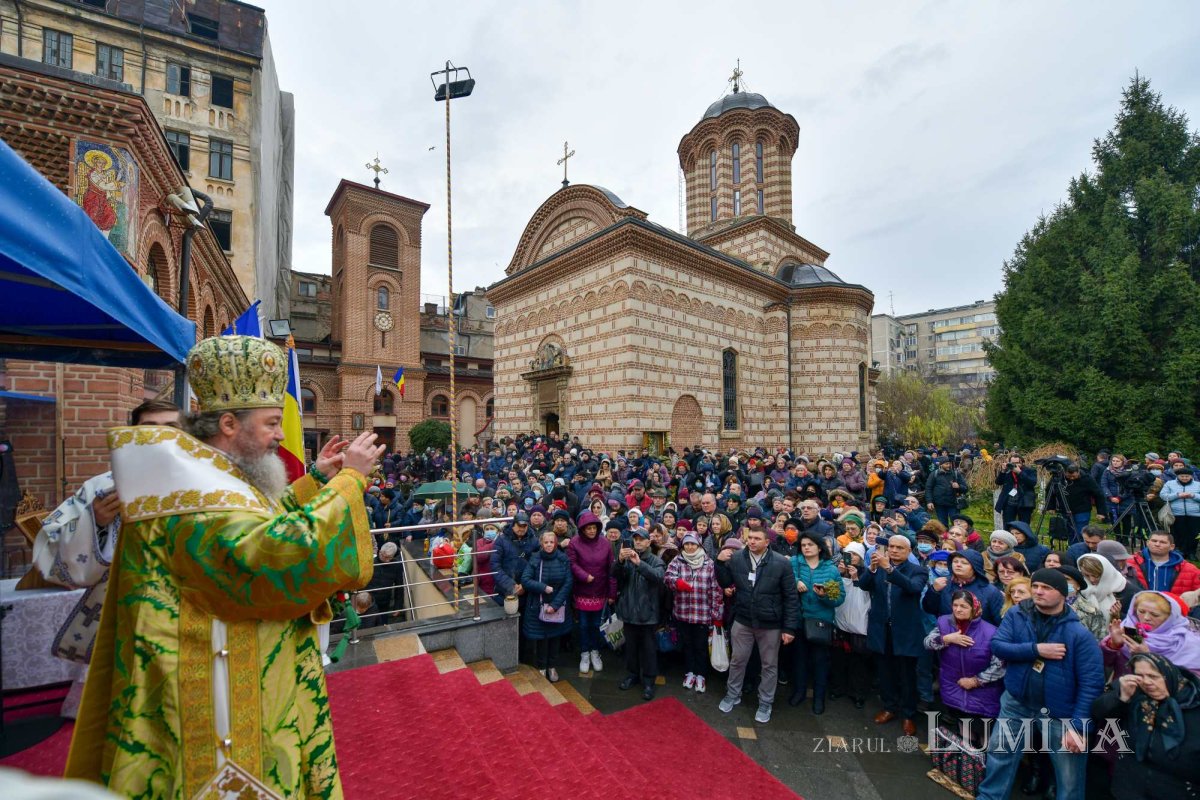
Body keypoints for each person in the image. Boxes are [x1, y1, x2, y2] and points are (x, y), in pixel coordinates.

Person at [65, 336, 382, 798]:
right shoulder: (199, 491)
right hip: (211, 687)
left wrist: (316, 481)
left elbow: (255, 523)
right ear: (229, 423)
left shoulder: (208, 476)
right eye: (272, 423)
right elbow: (273, 560)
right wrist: (351, 481)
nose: (279, 434)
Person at [32, 399, 181, 663]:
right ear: (132, 432)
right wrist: (96, 522)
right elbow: (51, 544)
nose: (159, 435)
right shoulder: (101, 487)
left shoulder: (207, 488)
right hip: (122, 613)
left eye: (171, 427)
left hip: (185, 616)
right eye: (149, 427)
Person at [975, 569, 1105, 800]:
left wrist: (1079, 727)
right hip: (1016, 703)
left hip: (1059, 714)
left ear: (1063, 594)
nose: (1038, 591)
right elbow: (998, 645)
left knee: (1069, 776)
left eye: (1046, 588)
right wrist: (1035, 650)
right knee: (999, 755)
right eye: (1035, 586)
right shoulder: (1017, 614)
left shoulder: (1078, 634)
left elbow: (1091, 683)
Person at [716, 527, 800, 724]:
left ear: (767, 542)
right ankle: (732, 694)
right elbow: (726, 582)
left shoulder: (781, 563)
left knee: (769, 665)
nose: (752, 541)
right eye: (749, 538)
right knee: (737, 660)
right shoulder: (737, 559)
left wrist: (789, 628)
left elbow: (790, 597)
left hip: (770, 623)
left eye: (757, 538)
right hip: (743, 619)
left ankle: (765, 702)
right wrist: (719, 563)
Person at [1091, 652, 1200, 799]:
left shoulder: (1193, 703)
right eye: (1140, 675)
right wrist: (1122, 698)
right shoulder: (1135, 692)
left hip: (1177, 790)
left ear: (1169, 675)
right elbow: (1098, 711)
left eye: (1153, 676)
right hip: (1130, 786)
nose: (1146, 682)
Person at [854, 534, 927, 736]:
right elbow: (863, 585)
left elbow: (913, 588)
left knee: (906, 676)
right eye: (892, 547)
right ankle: (889, 707)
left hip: (905, 632)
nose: (894, 551)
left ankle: (908, 715)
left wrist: (889, 568)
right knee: (885, 672)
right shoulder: (880, 566)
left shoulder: (918, 570)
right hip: (881, 629)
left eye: (899, 548)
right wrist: (872, 569)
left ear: (909, 551)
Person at [923, 590, 1005, 746]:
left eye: (963, 606)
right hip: (954, 688)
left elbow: (1000, 665)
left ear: (974, 609)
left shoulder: (990, 632)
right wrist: (946, 639)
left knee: (984, 736)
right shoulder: (944, 623)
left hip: (982, 695)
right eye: (955, 605)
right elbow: (927, 643)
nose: (958, 609)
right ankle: (968, 766)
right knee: (964, 733)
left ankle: (984, 766)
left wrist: (976, 681)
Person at [787, 530, 845, 714]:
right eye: (803, 545)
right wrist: (796, 581)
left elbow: (839, 598)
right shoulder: (794, 563)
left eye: (810, 545)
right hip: (798, 619)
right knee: (799, 659)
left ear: (819, 548)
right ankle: (799, 692)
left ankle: (819, 698)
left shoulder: (831, 569)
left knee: (820, 661)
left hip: (821, 621)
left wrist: (825, 596)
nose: (806, 548)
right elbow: (784, 580)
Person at [664, 532, 723, 694]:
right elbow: (668, 577)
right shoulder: (678, 561)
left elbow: (716, 590)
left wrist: (716, 614)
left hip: (702, 614)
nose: (689, 547)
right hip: (683, 612)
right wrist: (677, 583)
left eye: (693, 544)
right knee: (687, 645)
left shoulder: (709, 564)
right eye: (687, 544)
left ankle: (701, 675)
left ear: (699, 545)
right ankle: (689, 672)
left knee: (701, 646)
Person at [615, 527, 666, 700]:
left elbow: (659, 577)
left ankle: (649, 681)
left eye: (641, 539)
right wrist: (620, 561)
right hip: (629, 611)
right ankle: (632, 675)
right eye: (635, 539)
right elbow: (615, 576)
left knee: (649, 649)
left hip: (648, 614)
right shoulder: (627, 558)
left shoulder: (654, 560)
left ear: (648, 541)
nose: (637, 542)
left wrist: (639, 564)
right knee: (630, 648)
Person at [1102, 590, 1200, 677]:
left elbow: (1189, 686)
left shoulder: (1189, 643)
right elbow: (1102, 665)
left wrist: (1148, 657)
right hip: (1122, 694)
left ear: (1170, 618)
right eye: (1141, 611)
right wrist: (1113, 645)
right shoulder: (1127, 629)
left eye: (1155, 615)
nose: (1146, 618)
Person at [567, 510, 616, 674]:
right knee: (583, 625)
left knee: (596, 625)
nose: (591, 531)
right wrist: (583, 575)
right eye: (588, 528)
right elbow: (572, 563)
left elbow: (611, 569)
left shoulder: (605, 543)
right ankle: (584, 653)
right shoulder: (574, 543)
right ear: (582, 529)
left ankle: (595, 652)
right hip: (582, 590)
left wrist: (612, 593)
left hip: (600, 590)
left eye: (594, 527)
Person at [521, 530, 574, 682]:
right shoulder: (535, 558)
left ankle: (552, 666)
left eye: (552, 542)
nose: (549, 545)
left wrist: (556, 604)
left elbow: (568, 582)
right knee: (542, 639)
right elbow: (526, 579)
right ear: (541, 544)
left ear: (556, 543)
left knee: (555, 638)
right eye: (546, 542)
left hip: (557, 605)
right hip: (539, 604)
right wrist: (543, 587)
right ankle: (542, 666)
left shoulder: (563, 559)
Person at [923, 549, 1004, 626]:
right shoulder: (942, 584)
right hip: (948, 634)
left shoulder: (990, 591)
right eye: (955, 561)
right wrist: (934, 591)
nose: (958, 565)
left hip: (978, 637)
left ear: (975, 567)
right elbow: (929, 609)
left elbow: (1000, 622)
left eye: (964, 563)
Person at [1048, 463, 1108, 545]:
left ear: (1078, 472)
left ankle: (1078, 547)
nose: (1072, 478)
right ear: (1065, 473)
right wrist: (1051, 506)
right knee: (1069, 531)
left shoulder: (1087, 479)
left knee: (1080, 532)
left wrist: (1101, 512)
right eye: (1069, 476)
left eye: (1074, 476)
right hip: (1065, 509)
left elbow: (1098, 494)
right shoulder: (1059, 478)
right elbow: (1050, 491)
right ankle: (1072, 547)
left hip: (1082, 509)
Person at [1130, 529, 1200, 594]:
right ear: (1148, 543)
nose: (1157, 544)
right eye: (1154, 541)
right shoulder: (1130, 563)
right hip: (1138, 606)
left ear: (1171, 547)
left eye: (1162, 542)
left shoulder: (1190, 570)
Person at [1160, 464, 1200, 560]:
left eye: (1187, 476)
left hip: (1195, 514)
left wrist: (1193, 495)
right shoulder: (1169, 483)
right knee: (1178, 534)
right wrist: (1177, 495)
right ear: (1177, 476)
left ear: (1191, 476)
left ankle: (1191, 553)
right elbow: (1163, 496)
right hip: (1176, 514)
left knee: (1193, 535)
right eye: (1182, 476)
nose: (1185, 478)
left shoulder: (1198, 485)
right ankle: (1180, 552)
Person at [994, 454, 1038, 526]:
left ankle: (1023, 537)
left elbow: (1032, 482)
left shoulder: (1030, 470)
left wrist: (1020, 472)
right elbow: (998, 482)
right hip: (1009, 502)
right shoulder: (1008, 471)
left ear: (1022, 463)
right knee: (1008, 525)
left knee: (1024, 525)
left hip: (1024, 502)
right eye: (1012, 463)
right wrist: (1002, 471)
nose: (1014, 465)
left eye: (1017, 463)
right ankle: (1008, 537)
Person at [925, 457, 966, 527]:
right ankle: (944, 537)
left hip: (953, 504)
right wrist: (929, 501)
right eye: (946, 464)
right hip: (939, 504)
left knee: (956, 523)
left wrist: (958, 486)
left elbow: (965, 488)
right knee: (942, 525)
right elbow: (928, 488)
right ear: (941, 465)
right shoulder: (934, 474)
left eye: (949, 463)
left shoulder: (956, 474)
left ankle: (956, 536)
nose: (948, 465)